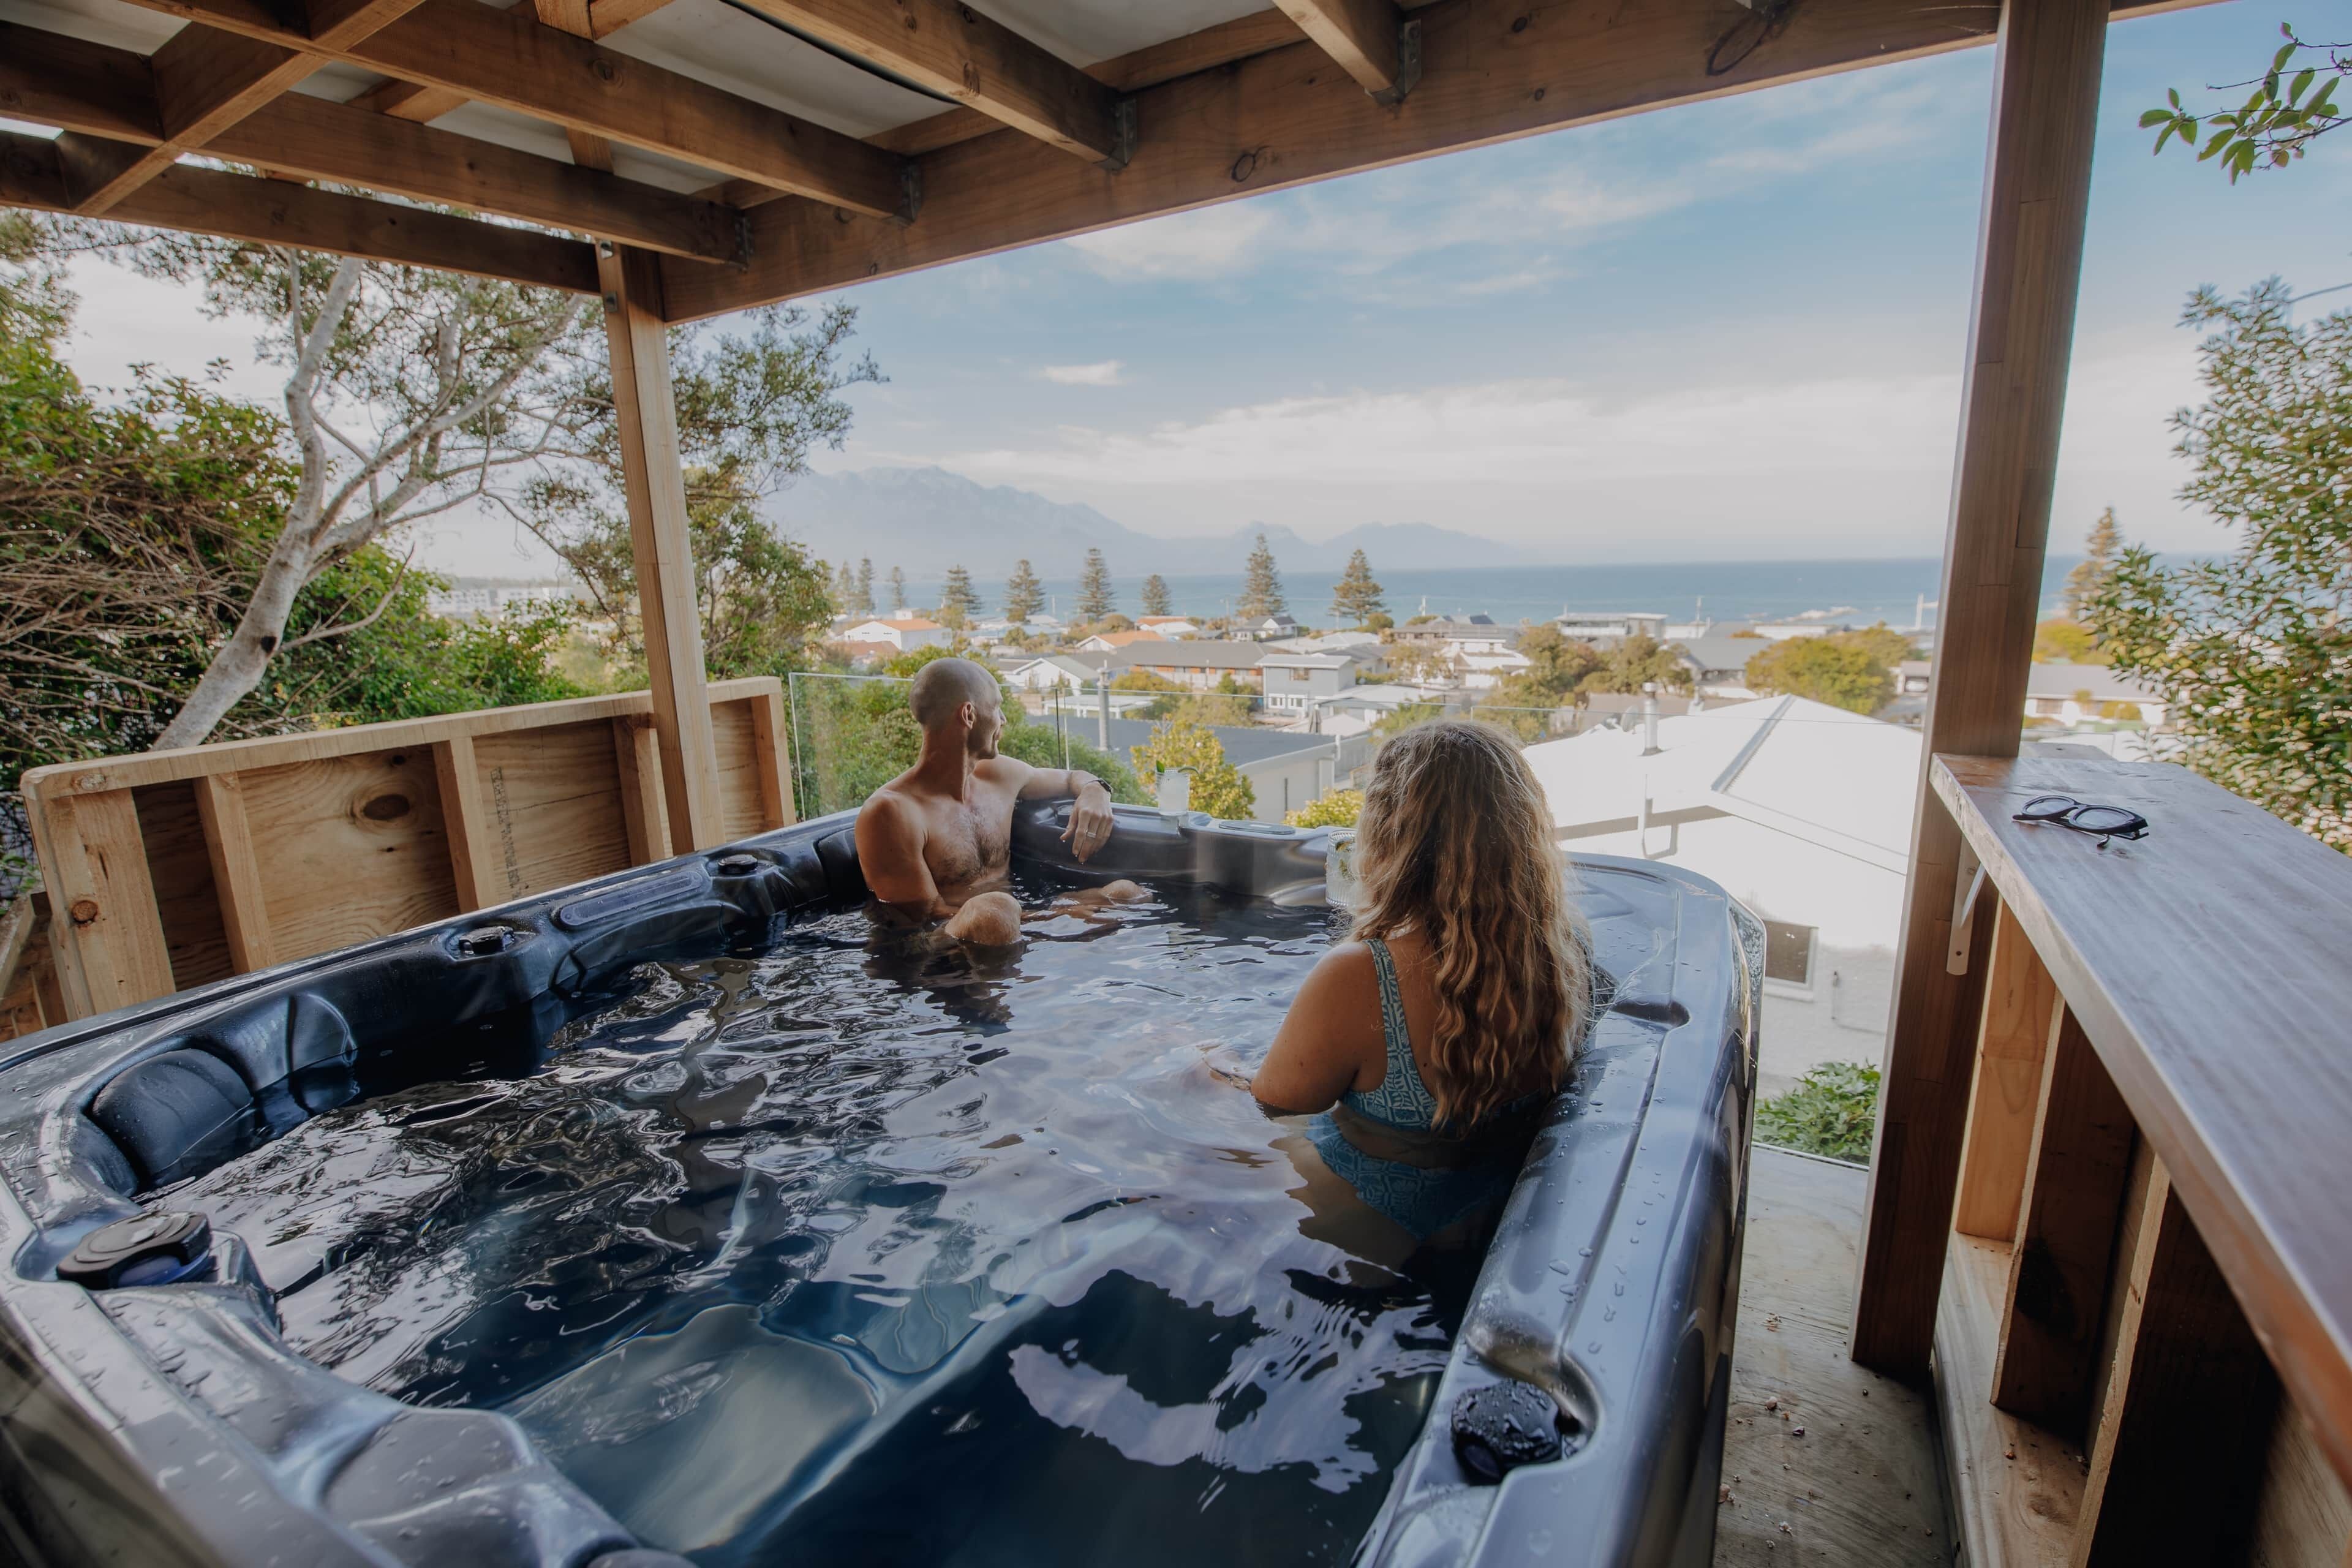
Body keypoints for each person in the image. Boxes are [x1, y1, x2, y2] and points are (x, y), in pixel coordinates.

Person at [1253, 720, 1594, 1135]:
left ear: (1386, 838)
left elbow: (1266, 1116)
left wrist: (1206, 1065)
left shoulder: (1358, 979)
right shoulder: (1561, 954)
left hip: (1362, 1198)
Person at [855, 656, 1136, 946]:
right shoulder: (892, 812)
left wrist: (1095, 790)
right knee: (994, 913)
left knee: (1126, 892)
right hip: (942, 947)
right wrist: (1056, 917)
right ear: (969, 715)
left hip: (1018, 927)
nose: (1003, 720)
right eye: (997, 707)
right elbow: (921, 917)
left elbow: (1070, 778)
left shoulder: (999, 775)